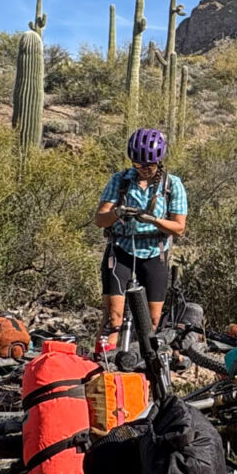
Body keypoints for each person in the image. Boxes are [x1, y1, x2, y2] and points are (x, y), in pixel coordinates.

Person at [92, 128, 187, 352]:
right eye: (138, 165)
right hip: (121, 250)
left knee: (151, 320)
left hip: (155, 252)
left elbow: (179, 227)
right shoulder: (120, 180)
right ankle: (101, 364)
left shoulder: (172, 185)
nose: (143, 170)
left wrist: (152, 220)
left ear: (159, 162)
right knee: (113, 318)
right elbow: (99, 219)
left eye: (149, 166)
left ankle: (144, 367)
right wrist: (118, 213)